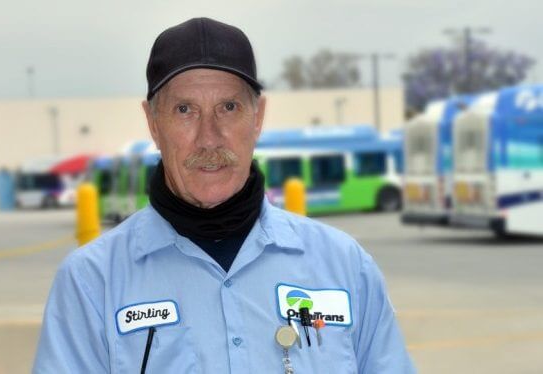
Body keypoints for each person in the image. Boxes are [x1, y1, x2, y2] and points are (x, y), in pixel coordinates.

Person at [33, 17, 416, 373]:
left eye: (228, 107)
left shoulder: (345, 266)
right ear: (152, 122)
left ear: (258, 116)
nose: (209, 137)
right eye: (185, 110)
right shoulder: (91, 282)